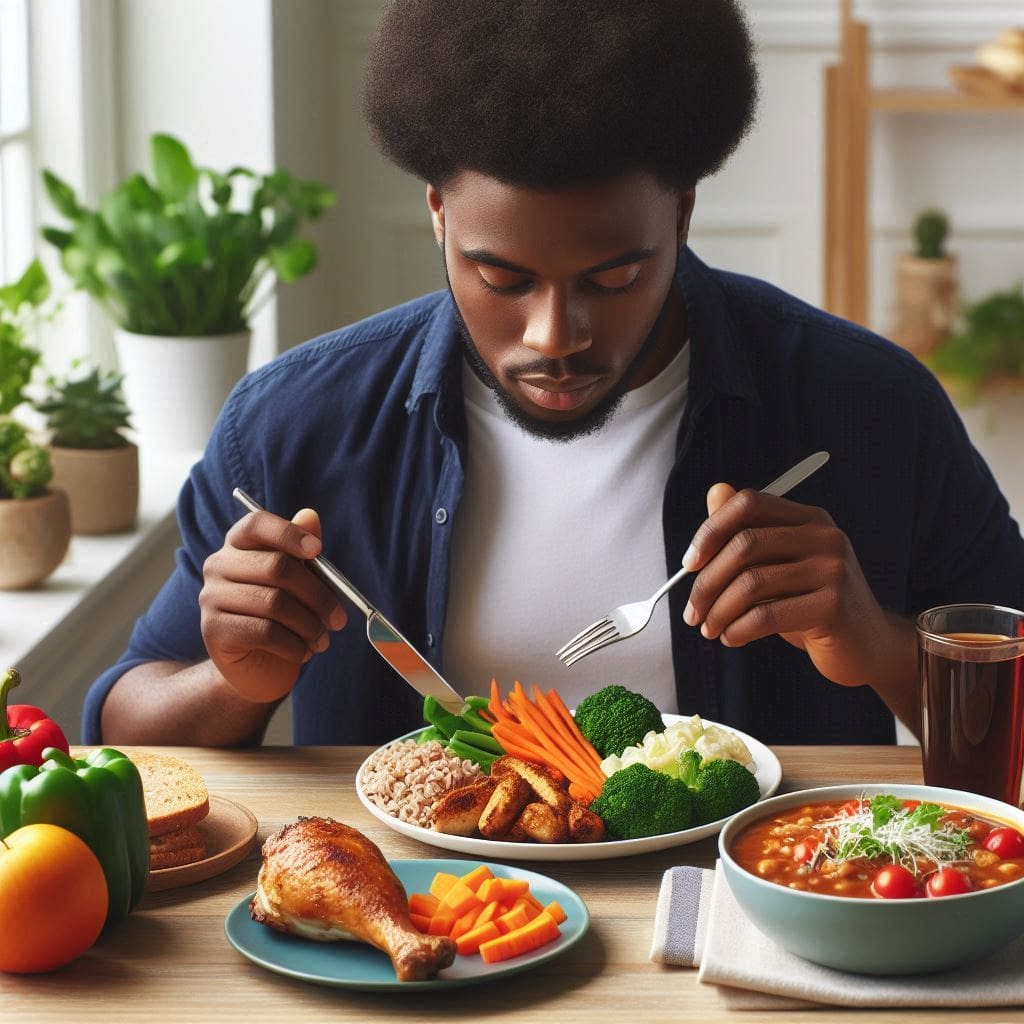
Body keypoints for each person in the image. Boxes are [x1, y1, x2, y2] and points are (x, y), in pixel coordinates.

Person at [84, 0, 1024, 749]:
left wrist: (872, 641)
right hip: (424, 958)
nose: (555, 335)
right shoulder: (298, 420)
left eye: (614, 277)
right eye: (502, 277)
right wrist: (233, 685)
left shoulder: (866, 406)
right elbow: (124, 727)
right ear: (439, 218)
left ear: (686, 213)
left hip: (751, 956)